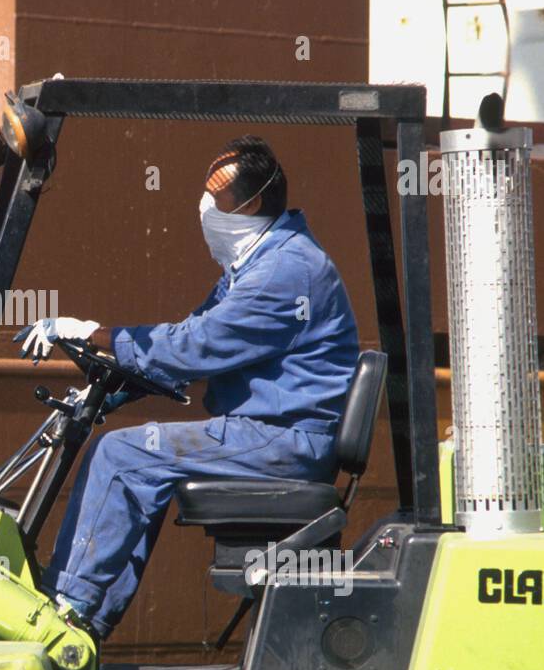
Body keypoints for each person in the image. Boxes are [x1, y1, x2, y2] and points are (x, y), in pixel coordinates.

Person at [19, 135, 359, 640]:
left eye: (217, 194)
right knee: (134, 463)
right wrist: (113, 388)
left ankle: (67, 610)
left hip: (284, 439)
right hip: (266, 432)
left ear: (253, 202)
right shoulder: (256, 264)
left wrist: (92, 332)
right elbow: (189, 340)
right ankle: (86, 619)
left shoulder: (285, 271)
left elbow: (195, 346)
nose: (205, 205)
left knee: (123, 455)